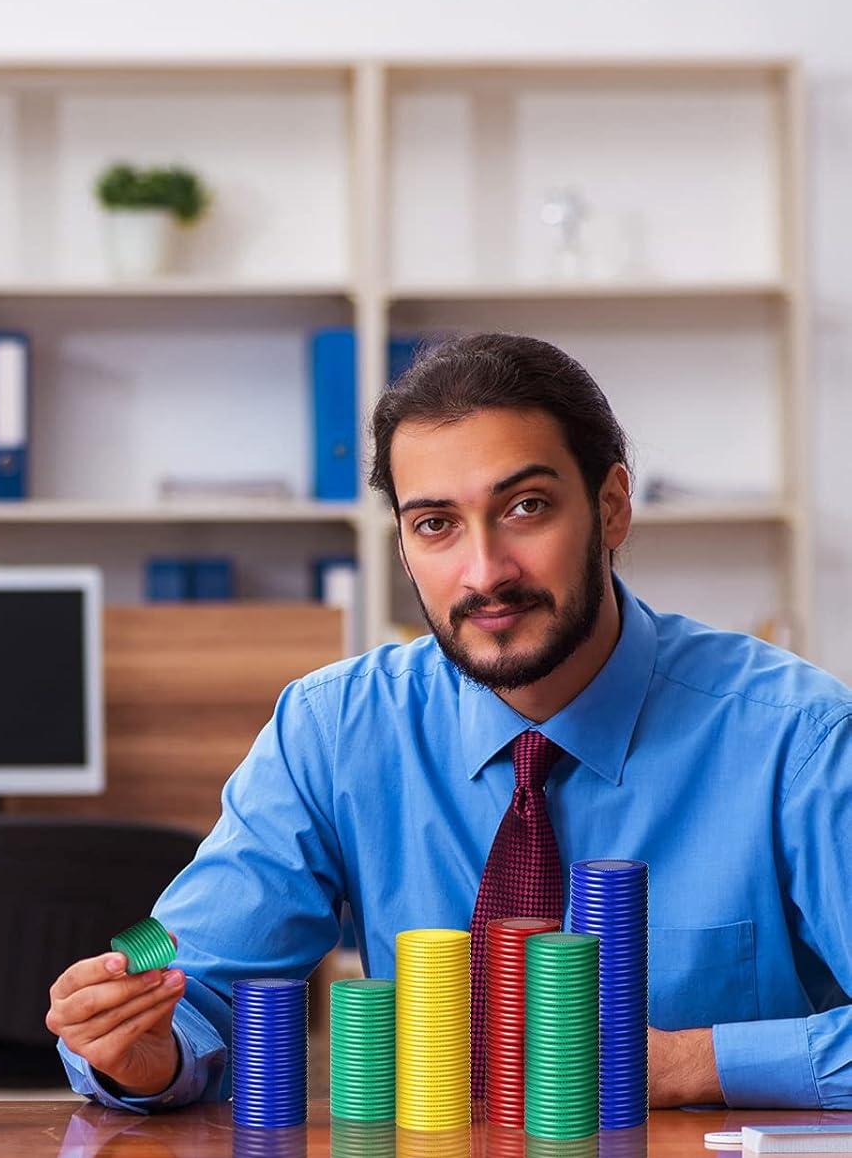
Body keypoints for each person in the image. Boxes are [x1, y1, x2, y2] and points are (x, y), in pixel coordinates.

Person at [49, 332, 852, 1113]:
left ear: (611, 508)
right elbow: (188, 970)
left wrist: (688, 1062)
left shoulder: (800, 739)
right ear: (403, 547)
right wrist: (142, 1052)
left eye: (526, 508)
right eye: (436, 524)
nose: (485, 571)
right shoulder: (331, 728)